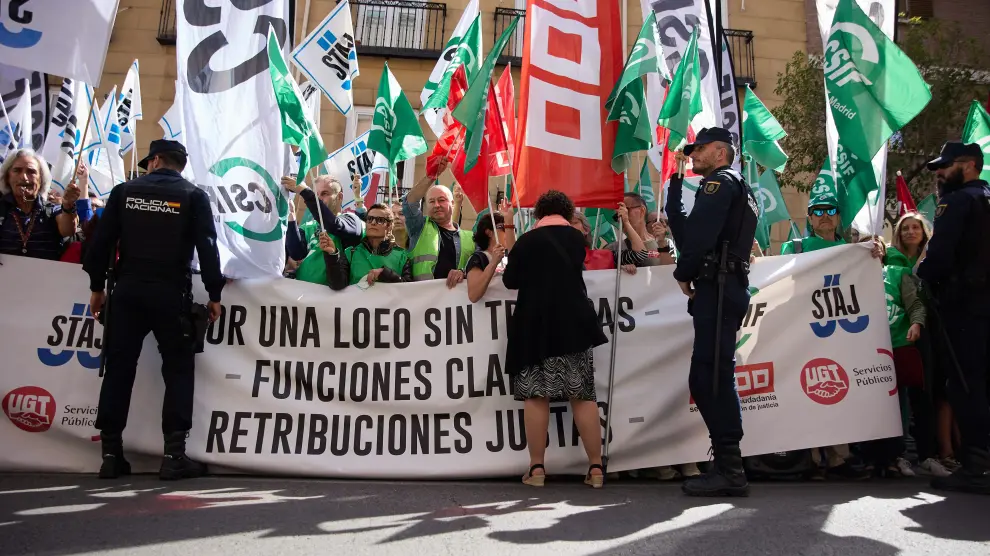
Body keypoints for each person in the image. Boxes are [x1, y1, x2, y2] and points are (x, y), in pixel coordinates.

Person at [83, 139, 224, 481]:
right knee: (178, 370)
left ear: (156, 160)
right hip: (171, 293)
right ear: (180, 165)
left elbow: (101, 243)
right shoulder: (193, 195)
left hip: (127, 291)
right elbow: (207, 246)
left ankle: (111, 455)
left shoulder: (123, 192)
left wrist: (97, 288)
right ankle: (174, 456)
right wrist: (214, 293)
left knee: (118, 369)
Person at [664, 127, 757, 497]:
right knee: (707, 376)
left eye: (699, 149)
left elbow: (700, 237)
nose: (693, 155)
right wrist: (674, 180)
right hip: (719, 286)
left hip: (719, 286)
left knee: (712, 377)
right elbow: (683, 228)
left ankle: (730, 468)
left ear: (721, 152)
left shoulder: (720, 183)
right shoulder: (732, 187)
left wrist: (683, 273)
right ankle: (727, 464)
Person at [502, 190, 609, 488]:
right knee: (582, 395)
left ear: (538, 213)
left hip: (533, 325)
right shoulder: (576, 239)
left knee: (536, 396)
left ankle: (537, 468)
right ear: (568, 212)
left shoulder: (526, 241)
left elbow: (511, 281)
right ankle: (596, 468)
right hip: (573, 325)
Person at [917, 141, 990, 494]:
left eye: (947, 166)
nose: (941, 173)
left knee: (964, 384)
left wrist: (923, 276)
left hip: (966, 308)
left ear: (970, 165)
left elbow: (940, 255)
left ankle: (977, 465)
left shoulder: (957, 201)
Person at [874, 213, 929, 478]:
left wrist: (916, 323)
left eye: (915, 227)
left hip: (899, 345)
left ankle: (902, 455)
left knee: (902, 402)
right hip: (868, 352)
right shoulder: (852, 280)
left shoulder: (898, 273)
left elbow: (915, 303)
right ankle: (879, 459)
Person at [403, 159, 475, 287]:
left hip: (457, 299)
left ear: (452, 203)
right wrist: (430, 176)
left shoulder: (471, 238)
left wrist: (463, 272)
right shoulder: (419, 227)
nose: (436, 205)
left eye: (441, 200)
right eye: (431, 201)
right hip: (423, 297)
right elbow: (409, 203)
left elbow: (480, 267)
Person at [282, 174, 365, 285]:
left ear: (339, 197)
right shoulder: (307, 226)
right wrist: (291, 218)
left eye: (324, 193)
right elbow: (297, 254)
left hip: (337, 292)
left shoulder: (352, 220)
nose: (318, 199)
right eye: (316, 194)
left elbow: (333, 225)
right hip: (302, 291)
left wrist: (305, 191)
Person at [0, 149, 81, 260]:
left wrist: (67, 204)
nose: (24, 177)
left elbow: (68, 230)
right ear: (7, 178)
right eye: (17, 170)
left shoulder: (51, 210)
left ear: (41, 179)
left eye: (31, 172)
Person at [324, 203, 411, 289]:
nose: (373, 222)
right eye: (369, 219)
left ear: (389, 226)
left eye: (380, 220)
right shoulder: (351, 253)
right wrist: (332, 254)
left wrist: (385, 274)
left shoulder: (402, 256)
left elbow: (409, 289)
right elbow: (337, 285)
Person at [465, 200, 516, 302]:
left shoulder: (509, 258)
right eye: (503, 227)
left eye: (511, 228)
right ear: (489, 232)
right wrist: (493, 263)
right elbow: (473, 295)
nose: (508, 232)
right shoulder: (478, 258)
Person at [610, 193, 675, 266]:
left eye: (625, 210)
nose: (620, 217)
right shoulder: (614, 247)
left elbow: (669, 269)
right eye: (617, 215)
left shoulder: (665, 242)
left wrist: (662, 243)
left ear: (642, 211)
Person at [568, 211, 639, 273]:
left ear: (586, 230)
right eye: (564, 224)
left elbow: (641, 255)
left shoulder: (606, 256)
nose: (568, 226)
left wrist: (623, 270)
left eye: (574, 222)